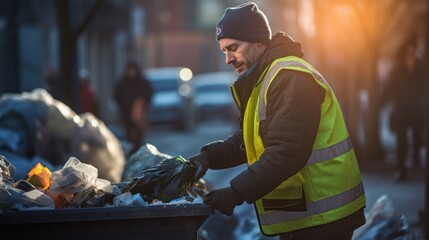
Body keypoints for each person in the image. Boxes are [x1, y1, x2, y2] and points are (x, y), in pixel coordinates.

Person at [188, 2, 366, 240]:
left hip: (324, 217)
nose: (228, 59)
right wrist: (210, 157)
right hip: (308, 215)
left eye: (233, 48)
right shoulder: (266, 78)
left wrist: (235, 192)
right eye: (223, 51)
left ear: (258, 41)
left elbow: (286, 151)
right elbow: (250, 140)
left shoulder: (290, 77)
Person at [380, 37, 425, 181]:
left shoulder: (421, 67)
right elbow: (388, 88)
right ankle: (401, 170)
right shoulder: (397, 70)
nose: (411, 54)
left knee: (418, 137)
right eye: (408, 51)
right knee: (401, 141)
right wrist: (380, 104)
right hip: (402, 110)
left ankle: (416, 163)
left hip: (417, 110)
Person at [114, 61, 153, 155]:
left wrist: (142, 104)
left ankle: (138, 150)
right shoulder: (122, 82)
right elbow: (116, 95)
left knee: (139, 133)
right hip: (126, 113)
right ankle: (131, 151)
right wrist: (122, 106)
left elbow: (149, 94)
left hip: (140, 113)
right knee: (128, 133)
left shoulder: (142, 82)